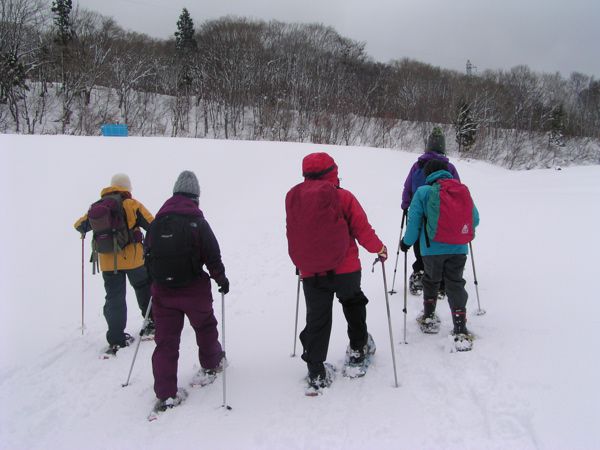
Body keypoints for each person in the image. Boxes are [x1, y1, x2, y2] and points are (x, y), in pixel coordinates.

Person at [291, 152, 387, 392]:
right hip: (346, 270)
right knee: (354, 306)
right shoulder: (343, 197)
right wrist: (380, 248)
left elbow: (294, 233)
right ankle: (357, 354)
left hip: (312, 272)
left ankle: (316, 372)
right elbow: (362, 229)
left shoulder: (296, 198)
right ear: (332, 172)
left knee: (317, 318)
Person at [147, 170, 229, 411]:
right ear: (196, 196)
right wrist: (220, 279)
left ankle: (165, 394)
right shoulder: (198, 222)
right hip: (194, 289)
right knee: (204, 326)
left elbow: (147, 256)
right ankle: (212, 363)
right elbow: (212, 255)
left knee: (166, 342)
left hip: (163, 292)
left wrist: (154, 282)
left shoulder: (156, 223)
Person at [400, 159, 479, 349]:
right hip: (458, 248)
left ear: (428, 174)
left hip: (431, 249)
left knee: (431, 280)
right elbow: (475, 219)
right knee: (455, 284)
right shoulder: (461, 190)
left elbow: (414, 222)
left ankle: (429, 317)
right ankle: (460, 327)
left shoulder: (423, 192)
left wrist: (406, 243)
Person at [74, 173, 154, 352]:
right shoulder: (132, 204)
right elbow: (152, 224)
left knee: (114, 297)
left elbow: (79, 225)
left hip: (109, 262)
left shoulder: (98, 207)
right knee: (143, 288)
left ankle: (116, 338)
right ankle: (151, 322)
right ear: (127, 187)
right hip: (134, 260)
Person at [401, 127, 461, 297]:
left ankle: (420, 271)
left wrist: (406, 205)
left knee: (419, 243)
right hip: (443, 214)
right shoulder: (449, 167)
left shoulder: (418, 165)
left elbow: (408, 187)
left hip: (418, 212)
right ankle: (441, 279)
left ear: (428, 146)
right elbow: (456, 189)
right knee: (438, 241)